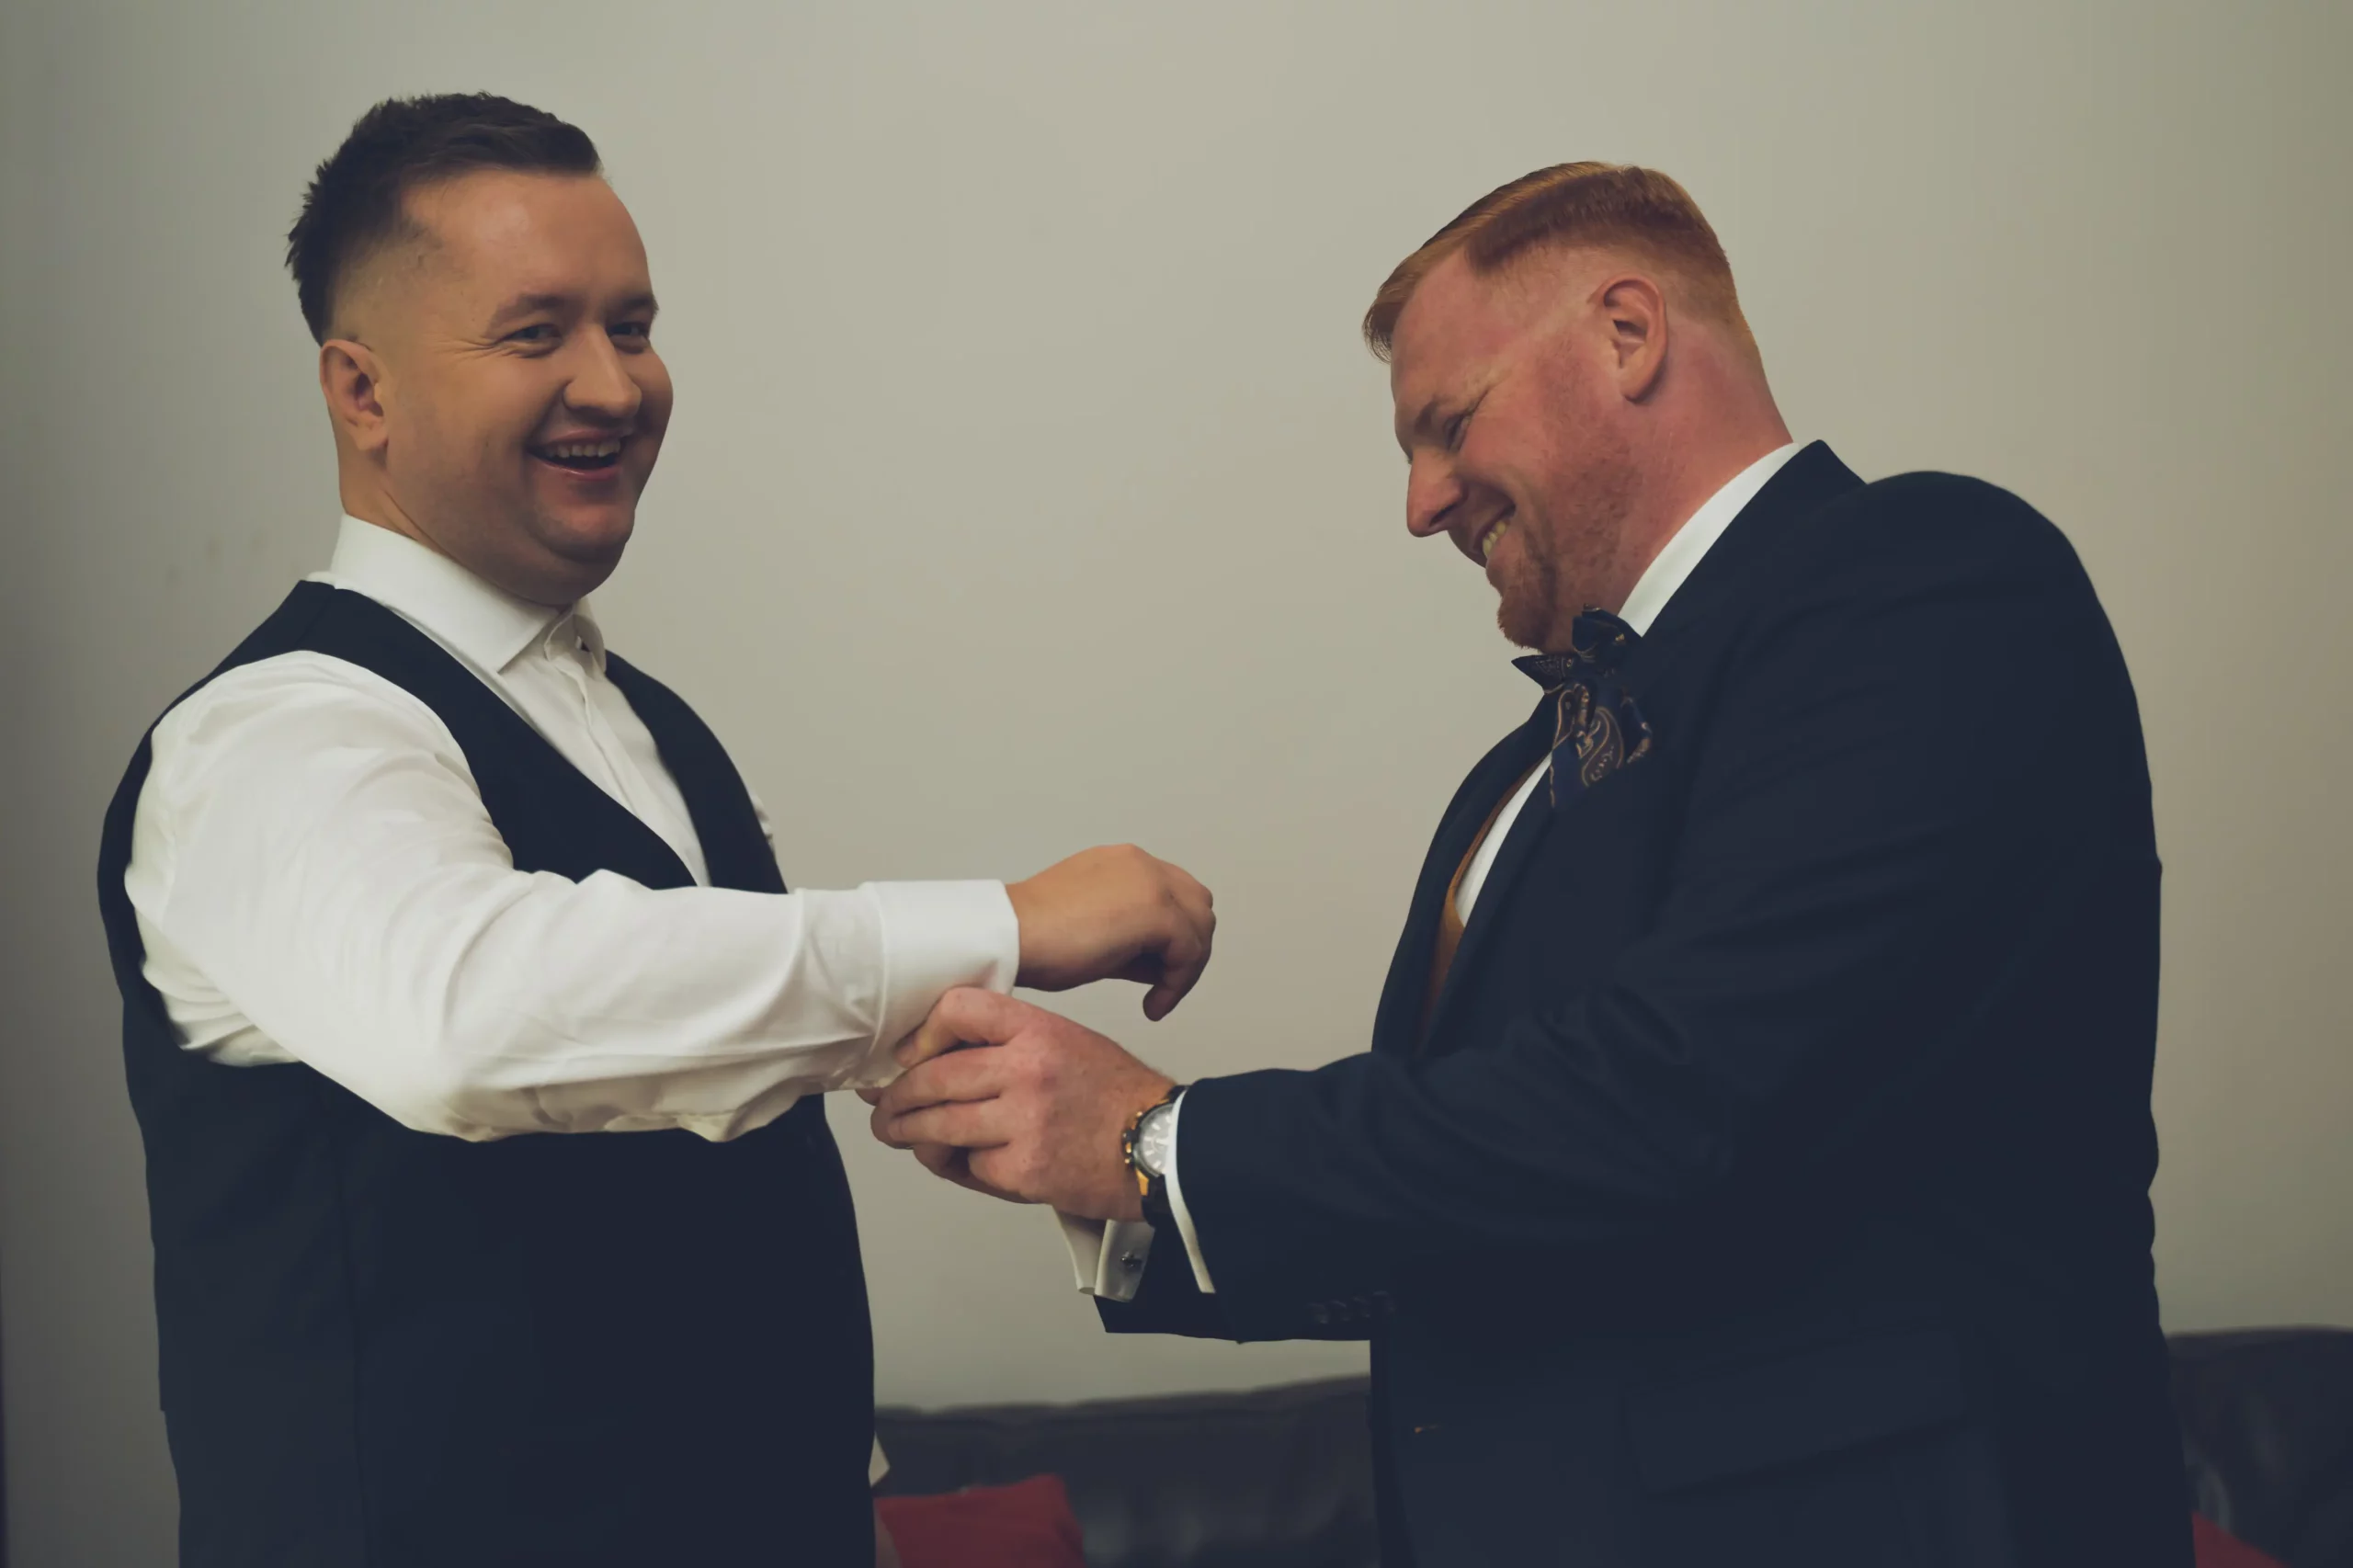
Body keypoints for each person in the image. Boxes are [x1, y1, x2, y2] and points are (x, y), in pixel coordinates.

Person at [871, 162, 2190, 1566]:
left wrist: (1158, 1142)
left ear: (1628, 332)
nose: (1420, 503)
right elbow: (1486, 1197)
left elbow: (1669, 1098)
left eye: (1448, 425)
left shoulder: (1928, 579)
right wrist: (1097, 1171)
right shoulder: (1522, 767)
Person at [94, 93, 1214, 1568]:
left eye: (632, 326)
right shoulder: (274, 734)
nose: (615, 384)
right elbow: (471, 1021)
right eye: (536, 332)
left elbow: (693, 1073)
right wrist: (1005, 920)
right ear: (362, 391)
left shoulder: (651, 724)